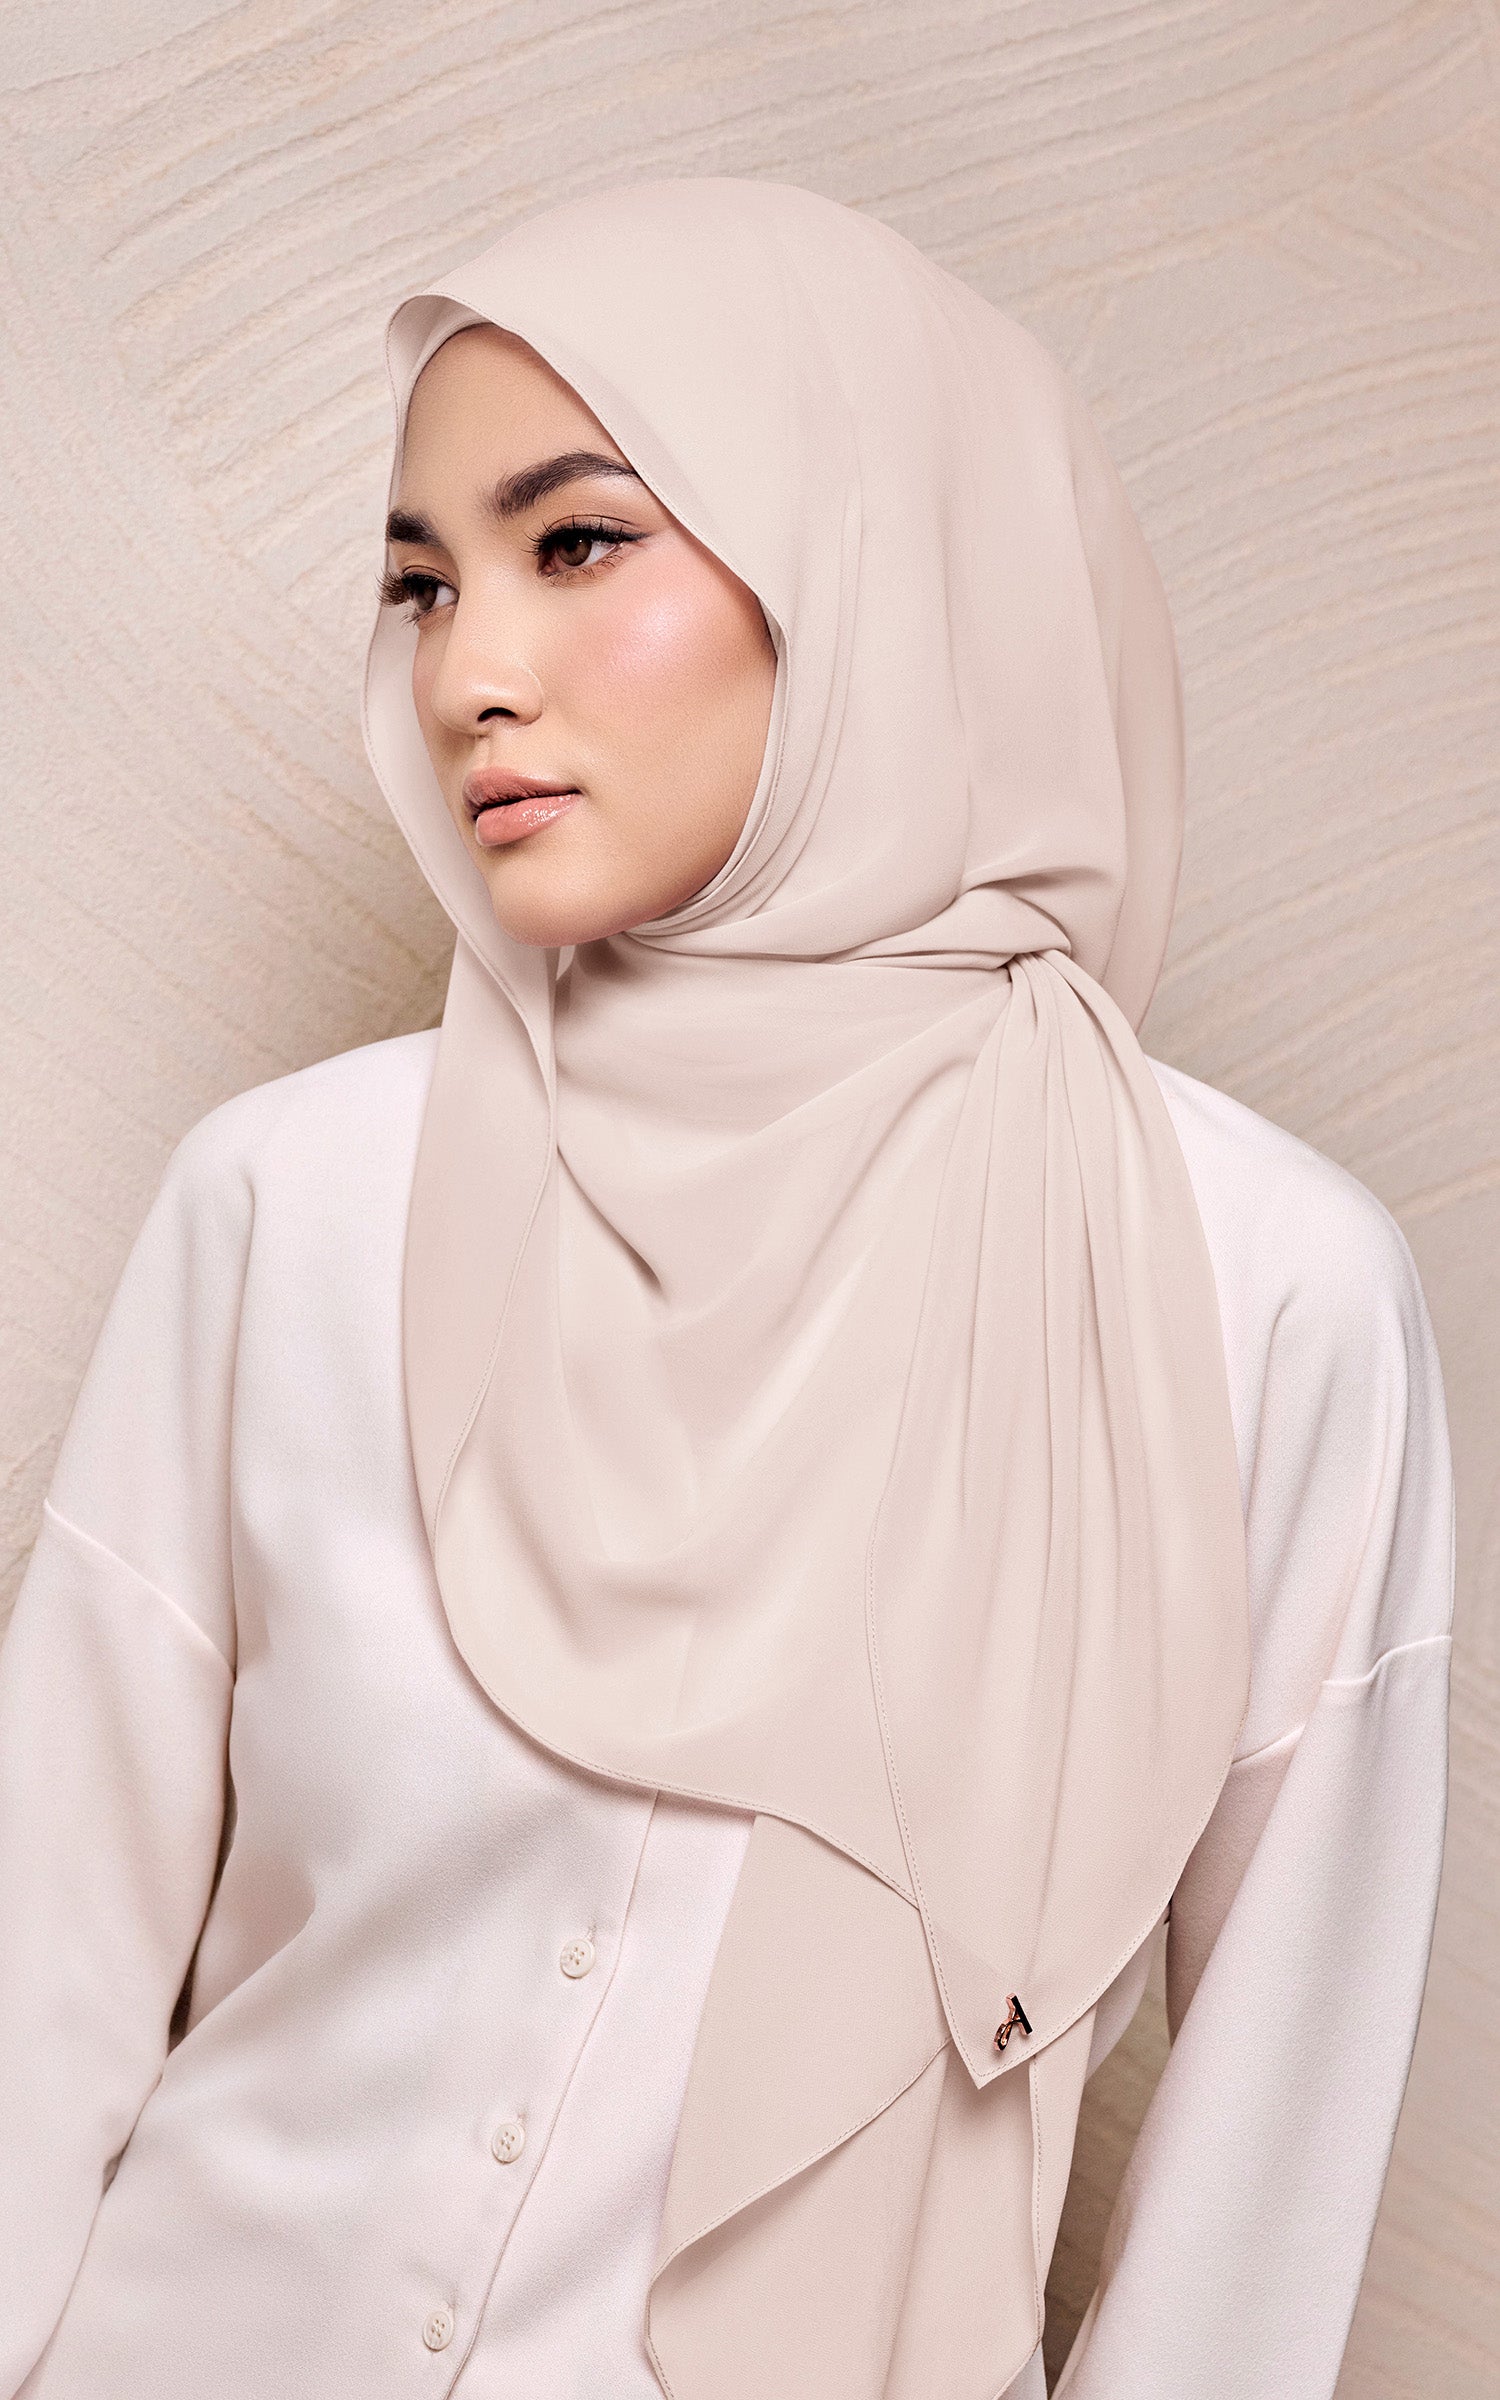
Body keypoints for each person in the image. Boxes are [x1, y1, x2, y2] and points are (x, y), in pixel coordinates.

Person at [0, 179, 1453, 2399]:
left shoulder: (1256, 1305)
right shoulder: (294, 1202)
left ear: (870, 560)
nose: (469, 673)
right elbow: (43, 1978)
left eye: (579, 543)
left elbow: (1257, 2185)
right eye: (422, 585)